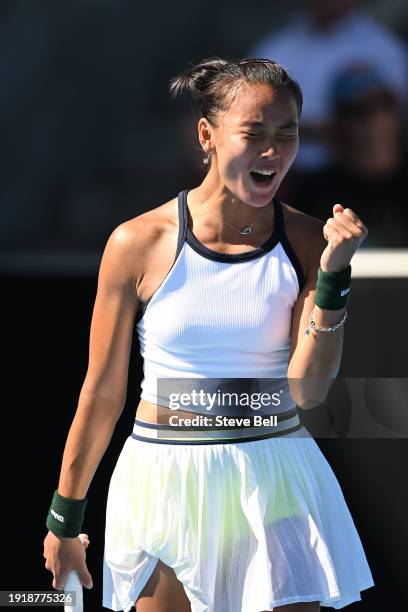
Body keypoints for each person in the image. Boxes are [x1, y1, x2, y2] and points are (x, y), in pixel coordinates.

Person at [43, 57, 374, 612]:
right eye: (254, 133)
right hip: (162, 480)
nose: (274, 151)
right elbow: (102, 392)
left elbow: (308, 391)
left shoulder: (313, 243)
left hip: (276, 477)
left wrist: (335, 278)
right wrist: (63, 519)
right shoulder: (136, 243)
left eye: (287, 133)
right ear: (207, 135)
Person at [248, 0, 408, 174]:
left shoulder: (384, 48)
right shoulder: (276, 48)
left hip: (364, 175)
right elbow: (251, 117)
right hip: (286, 175)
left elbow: (391, 120)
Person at [291, 62, 408, 247]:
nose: (376, 119)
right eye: (359, 111)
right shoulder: (313, 191)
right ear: (338, 122)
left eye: (384, 104)